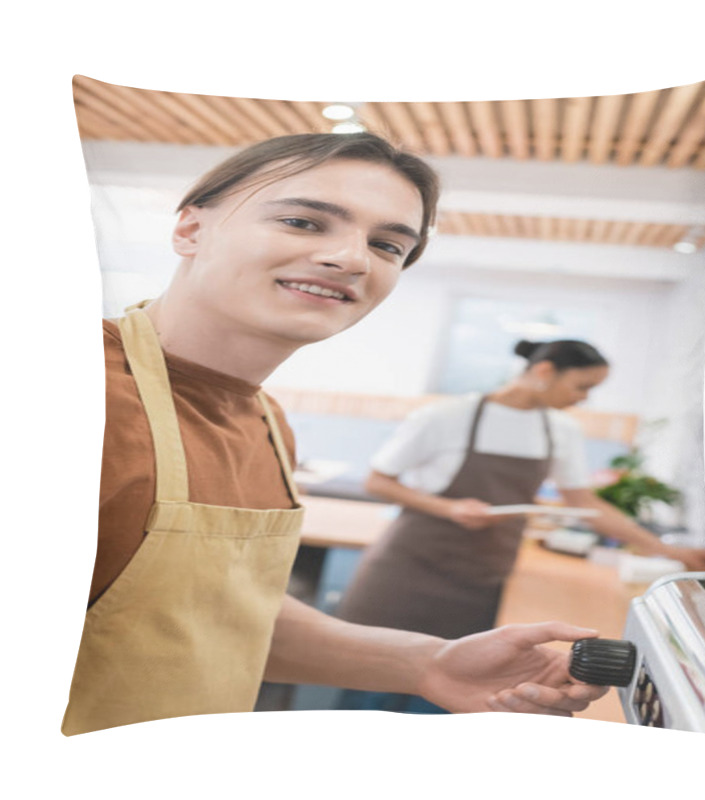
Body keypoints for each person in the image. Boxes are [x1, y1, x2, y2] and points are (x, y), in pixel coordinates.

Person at [61, 133, 608, 736]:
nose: (352, 258)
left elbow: (211, 615)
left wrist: (432, 663)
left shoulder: (266, 421)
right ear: (191, 230)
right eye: (302, 221)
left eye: (387, 245)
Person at [334, 339, 705, 711]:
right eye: (582, 386)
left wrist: (668, 551)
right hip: (405, 575)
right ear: (545, 371)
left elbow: (584, 503)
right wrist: (449, 508)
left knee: (451, 693)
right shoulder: (447, 416)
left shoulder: (560, 430)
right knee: (374, 690)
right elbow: (377, 481)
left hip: (481, 580)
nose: (584, 399)